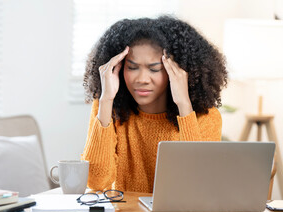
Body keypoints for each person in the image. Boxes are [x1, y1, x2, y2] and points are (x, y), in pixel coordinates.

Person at [81, 16, 227, 193]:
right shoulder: (107, 109)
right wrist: (105, 101)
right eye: (133, 68)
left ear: (178, 71)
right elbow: (96, 181)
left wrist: (184, 106)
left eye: (155, 69)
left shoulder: (206, 117)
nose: (142, 79)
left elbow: (197, 186)